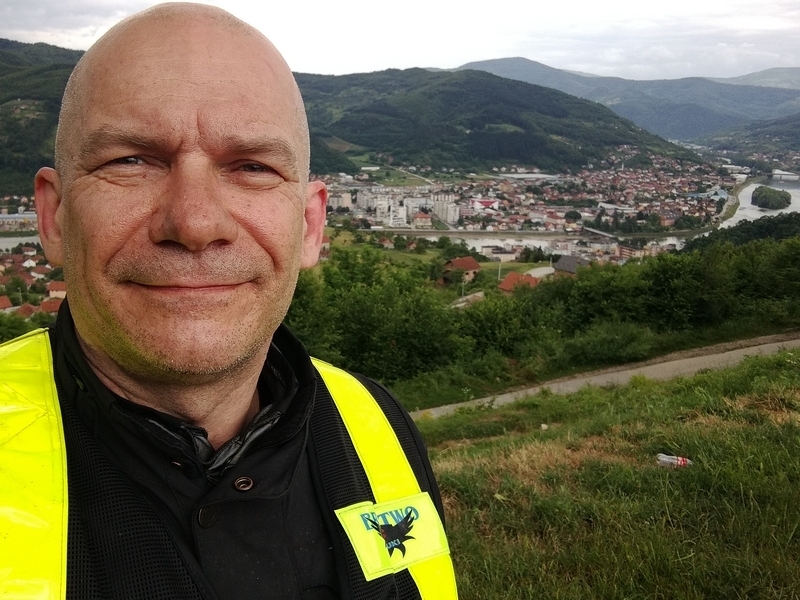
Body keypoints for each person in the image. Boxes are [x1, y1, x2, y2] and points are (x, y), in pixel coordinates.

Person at [0, 4, 457, 599]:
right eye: (131, 161)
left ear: (310, 226)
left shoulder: (375, 425)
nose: (194, 223)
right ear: (53, 216)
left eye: (251, 167)